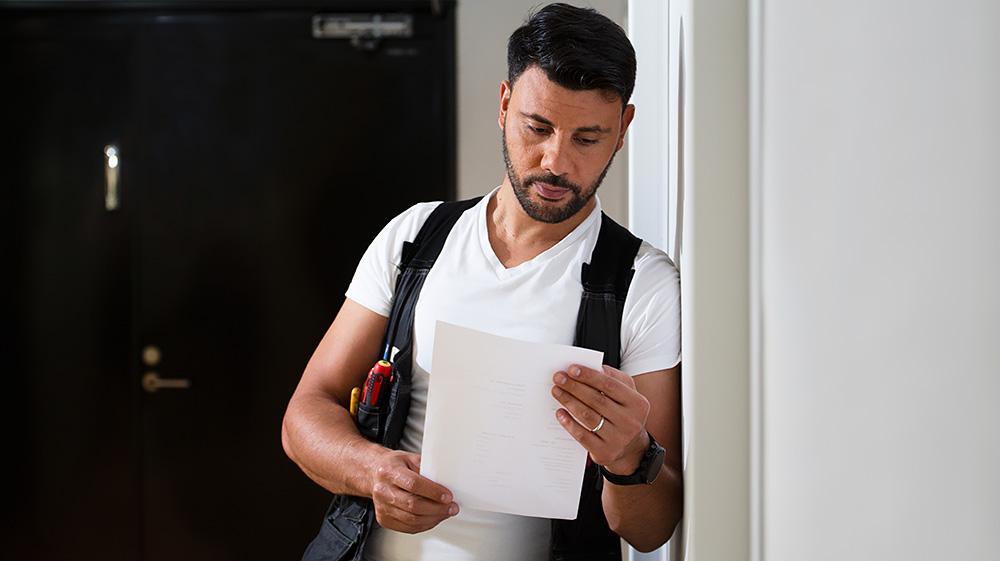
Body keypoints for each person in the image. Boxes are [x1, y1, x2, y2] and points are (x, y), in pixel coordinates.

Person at [281, 4, 682, 560]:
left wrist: (631, 457)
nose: (555, 162)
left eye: (588, 139)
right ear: (503, 105)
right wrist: (372, 471)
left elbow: (650, 529)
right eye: (537, 127)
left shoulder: (644, 285)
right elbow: (305, 412)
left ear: (623, 131)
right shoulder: (415, 236)